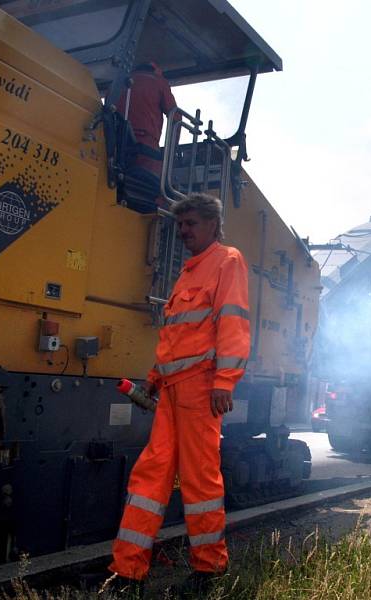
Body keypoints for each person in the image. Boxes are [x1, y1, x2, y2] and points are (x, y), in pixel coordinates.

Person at [102, 192, 250, 596]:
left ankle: (209, 569)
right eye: (180, 225)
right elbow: (176, 335)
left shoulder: (228, 261)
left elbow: (233, 325)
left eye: (191, 224)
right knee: (150, 476)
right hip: (172, 390)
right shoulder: (189, 273)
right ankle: (127, 570)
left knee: (200, 481)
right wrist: (155, 374)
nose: (183, 231)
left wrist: (224, 382)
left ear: (213, 225)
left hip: (201, 389)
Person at [117, 62, 178, 186]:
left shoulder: (117, 84)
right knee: (155, 189)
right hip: (146, 145)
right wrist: (171, 151)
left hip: (116, 144)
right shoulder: (159, 82)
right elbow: (175, 117)